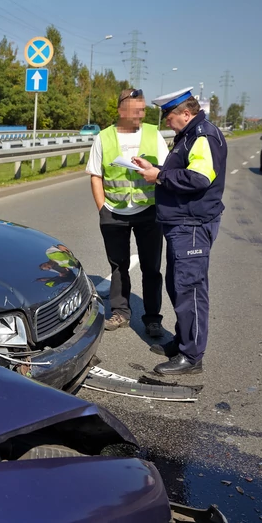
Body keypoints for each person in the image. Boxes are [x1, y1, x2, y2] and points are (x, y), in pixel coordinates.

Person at [132, 87, 227, 375]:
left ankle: (192, 356)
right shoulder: (190, 134)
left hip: (192, 225)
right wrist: (156, 168)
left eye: (169, 117)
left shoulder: (202, 136)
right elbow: (186, 170)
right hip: (182, 223)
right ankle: (183, 341)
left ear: (186, 113)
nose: (166, 123)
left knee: (190, 290)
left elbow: (199, 178)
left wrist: (159, 176)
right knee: (178, 285)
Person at [86, 88, 170, 338]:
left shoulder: (154, 135)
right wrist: (102, 208)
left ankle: (153, 318)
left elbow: (165, 170)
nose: (141, 114)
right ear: (121, 110)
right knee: (118, 266)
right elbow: (96, 175)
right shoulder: (103, 137)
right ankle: (120, 313)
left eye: (143, 109)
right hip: (114, 212)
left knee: (151, 268)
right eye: (136, 110)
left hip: (149, 210)